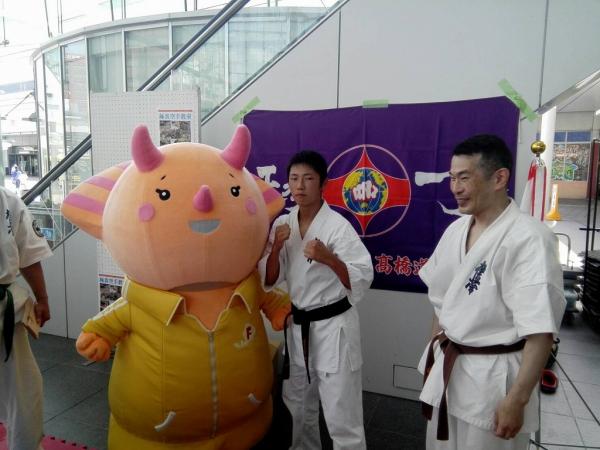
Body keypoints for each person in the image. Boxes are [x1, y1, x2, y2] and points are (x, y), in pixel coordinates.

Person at [418, 135, 565, 450]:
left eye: (464, 178)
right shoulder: (455, 230)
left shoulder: (529, 238)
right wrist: (432, 357)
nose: (455, 188)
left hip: (495, 381)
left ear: (499, 178)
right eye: (452, 178)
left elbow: (540, 331)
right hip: (449, 373)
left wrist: (517, 399)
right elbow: (441, 304)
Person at [259, 150, 374, 450]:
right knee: (297, 404)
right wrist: (276, 248)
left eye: (308, 178)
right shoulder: (283, 224)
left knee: (341, 411)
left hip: (334, 328)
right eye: (294, 178)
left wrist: (329, 258)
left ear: (323, 184)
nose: (300, 186)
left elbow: (362, 277)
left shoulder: (337, 226)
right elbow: (270, 278)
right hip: (299, 327)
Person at [0, 185, 52, 450]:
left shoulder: (7, 200)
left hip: (4, 308)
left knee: (25, 389)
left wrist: (42, 298)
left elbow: (28, 254)